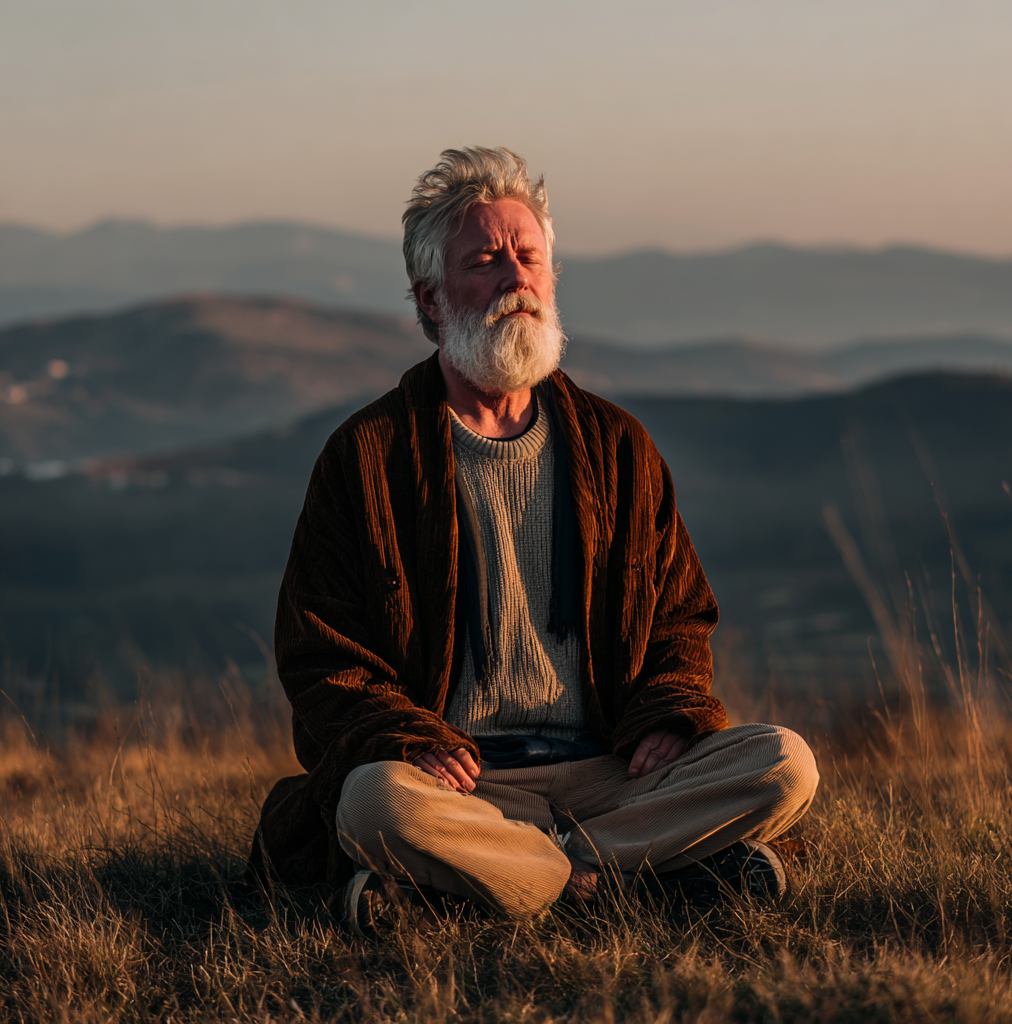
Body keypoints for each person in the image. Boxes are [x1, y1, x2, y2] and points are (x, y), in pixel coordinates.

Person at [249, 147, 818, 932]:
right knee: (372, 800)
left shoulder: (618, 446)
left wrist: (667, 710)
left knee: (785, 761)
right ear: (432, 300)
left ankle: (511, 879)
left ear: (552, 279)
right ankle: (636, 873)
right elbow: (322, 653)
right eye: (485, 261)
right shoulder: (368, 455)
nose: (516, 279)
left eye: (530, 257)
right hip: (457, 782)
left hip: (611, 768)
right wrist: (404, 737)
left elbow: (682, 615)